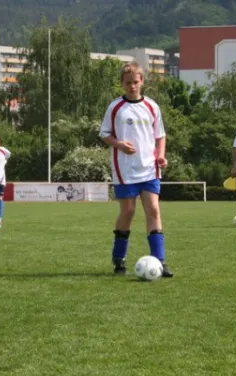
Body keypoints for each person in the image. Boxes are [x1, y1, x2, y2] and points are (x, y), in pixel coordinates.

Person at [99, 62, 173, 278]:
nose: (132, 86)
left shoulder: (152, 106)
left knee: (153, 210)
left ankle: (160, 261)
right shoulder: (115, 108)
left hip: (149, 168)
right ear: (122, 83)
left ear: (142, 82)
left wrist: (160, 155)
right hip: (125, 169)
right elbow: (104, 134)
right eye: (128, 82)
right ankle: (119, 258)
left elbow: (160, 135)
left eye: (136, 82)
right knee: (128, 211)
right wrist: (119, 144)